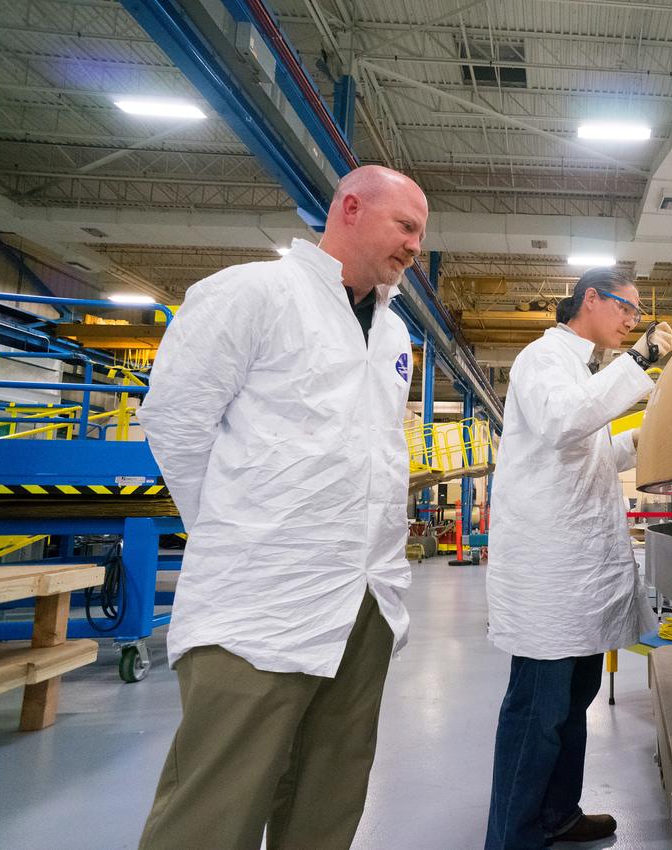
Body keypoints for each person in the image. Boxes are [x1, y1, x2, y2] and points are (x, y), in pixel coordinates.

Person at [136, 165, 428, 850]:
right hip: (258, 600)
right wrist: (238, 535)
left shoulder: (391, 334)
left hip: (364, 598)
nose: (415, 246)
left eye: (421, 233)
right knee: (214, 808)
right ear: (350, 209)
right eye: (406, 226)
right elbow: (177, 423)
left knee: (328, 800)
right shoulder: (253, 293)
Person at [484, 268, 672, 849]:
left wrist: (630, 444)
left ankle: (558, 814)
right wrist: (639, 362)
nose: (631, 321)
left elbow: (579, 454)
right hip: (550, 575)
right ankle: (512, 836)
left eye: (637, 315)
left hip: (580, 573)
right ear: (589, 298)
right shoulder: (542, 359)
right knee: (537, 712)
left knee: (573, 702)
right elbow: (564, 423)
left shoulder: (581, 369)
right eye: (626, 308)